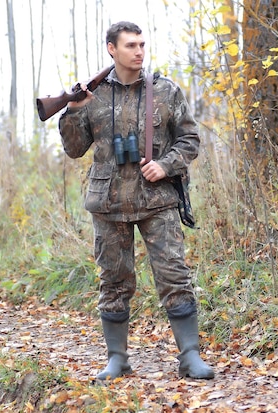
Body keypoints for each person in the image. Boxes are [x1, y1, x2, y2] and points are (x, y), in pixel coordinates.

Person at [58, 21, 214, 381]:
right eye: (130, 45)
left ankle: (190, 356)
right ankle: (117, 359)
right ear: (112, 49)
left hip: (157, 198)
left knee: (174, 274)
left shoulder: (164, 91)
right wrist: (74, 109)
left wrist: (165, 165)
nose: (139, 51)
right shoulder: (92, 95)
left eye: (142, 44)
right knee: (114, 281)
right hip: (109, 201)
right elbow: (73, 149)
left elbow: (189, 140)